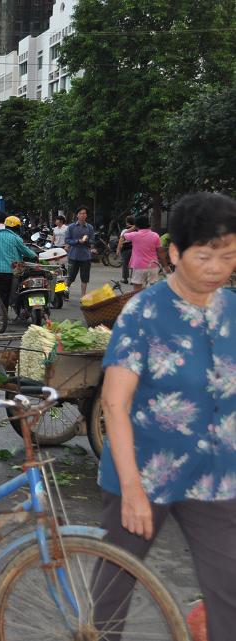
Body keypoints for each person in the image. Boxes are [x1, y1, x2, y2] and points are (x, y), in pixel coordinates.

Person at [94, 192, 236, 641]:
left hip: (217, 478)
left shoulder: (233, 310)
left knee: (228, 590)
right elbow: (114, 403)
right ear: (174, 254)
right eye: (205, 255)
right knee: (112, 593)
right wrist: (134, 491)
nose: (217, 266)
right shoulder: (143, 313)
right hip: (145, 471)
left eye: (229, 255)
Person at [0, 215, 37, 309]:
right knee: (4, 295)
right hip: (7, 271)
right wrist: (35, 256)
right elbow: (26, 252)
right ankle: (2, 317)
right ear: (17, 228)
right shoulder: (16, 238)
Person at [118, 215, 162, 291]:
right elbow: (160, 252)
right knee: (153, 291)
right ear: (149, 224)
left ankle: (141, 302)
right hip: (153, 266)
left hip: (139, 266)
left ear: (136, 225)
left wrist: (132, 228)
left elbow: (122, 236)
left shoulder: (134, 235)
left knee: (137, 291)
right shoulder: (156, 236)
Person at [64, 206, 96, 297]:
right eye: (81, 213)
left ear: (86, 215)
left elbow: (93, 240)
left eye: (84, 213)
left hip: (85, 256)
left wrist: (87, 241)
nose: (83, 215)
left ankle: (83, 296)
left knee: (85, 278)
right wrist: (78, 241)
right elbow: (67, 240)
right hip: (73, 255)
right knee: (69, 277)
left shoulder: (90, 227)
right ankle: (61, 292)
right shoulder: (71, 227)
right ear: (77, 215)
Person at [117, 215, 136, 284]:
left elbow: (121, 239)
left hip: (125, 249)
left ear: (127, 222)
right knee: (134, 264)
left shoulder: (125, 230)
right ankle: (133, 280)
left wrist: (118, 249)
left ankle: (125, 279)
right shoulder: (137, 230)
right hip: (134, 249)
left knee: (125, 264)